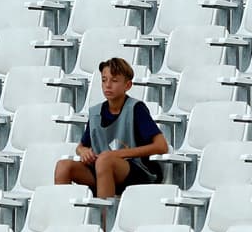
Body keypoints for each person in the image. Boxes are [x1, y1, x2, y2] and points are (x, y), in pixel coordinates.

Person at [54, 57, 169, 204]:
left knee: (104, 160)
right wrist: (83, 152)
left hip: (137, 171)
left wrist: (118, 154)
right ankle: (63, 215)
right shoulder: (95, 112)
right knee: (63, 166)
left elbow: (161, 146)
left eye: (114, 81)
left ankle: (104, 217)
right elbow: (81, 146)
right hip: (102, 169)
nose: (108, 85)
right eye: (104, 80)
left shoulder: (136, 109)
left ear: (127, 85)